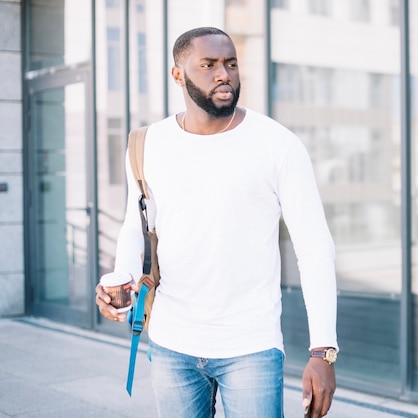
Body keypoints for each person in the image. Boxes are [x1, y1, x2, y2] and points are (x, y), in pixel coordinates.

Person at [95, 27, 338, 418]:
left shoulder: (277, 144)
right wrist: (120, 279)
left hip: (250, 346)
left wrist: (323, 350)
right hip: (171, 341)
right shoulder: (147, 143)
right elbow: (135, 224)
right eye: (208, 65)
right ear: (178, 75)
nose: (223, 74)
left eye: (230, 64)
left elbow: (314, 247)